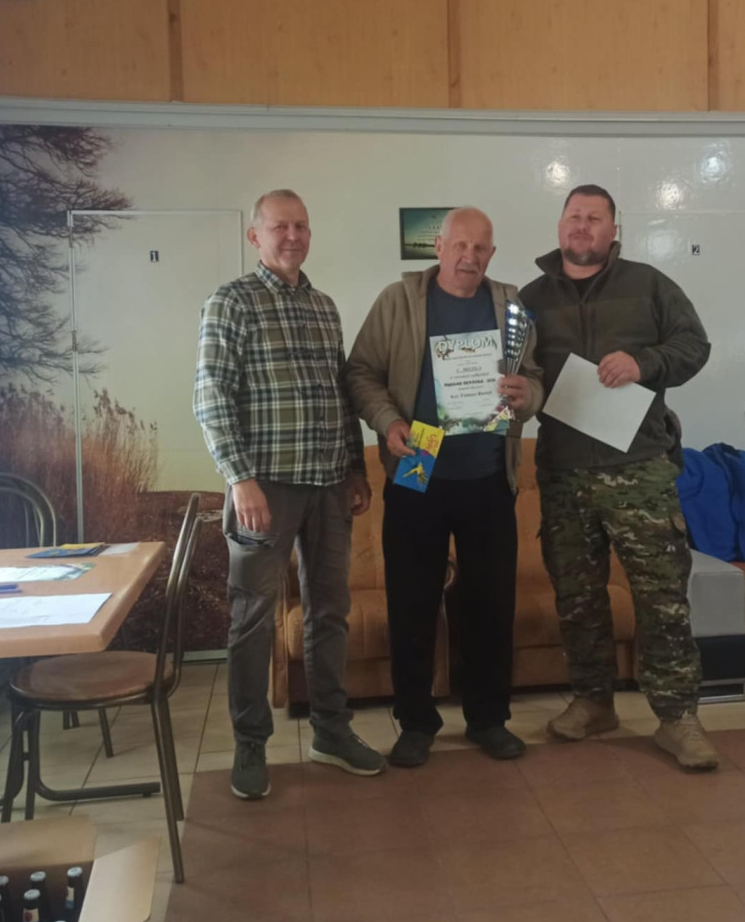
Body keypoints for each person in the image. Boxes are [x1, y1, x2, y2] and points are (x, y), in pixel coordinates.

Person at [519, 184, 719, 770]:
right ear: (560, 225)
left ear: (613, 230)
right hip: (563, 473)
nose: (581, 226)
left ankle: (678, 718)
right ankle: (593, 701)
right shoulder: (528, 300)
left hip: (640, 469)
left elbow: (695, 346)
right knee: (577, 599)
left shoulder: (650, 285)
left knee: (662, 598)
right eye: (573, 216)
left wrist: (644, 362)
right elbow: (517, 370)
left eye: (594, 218)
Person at [194, 188, 385, 799]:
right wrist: (240, 479)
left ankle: (331, 731)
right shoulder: (231, 302)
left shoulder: (324, 307)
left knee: (329, 612)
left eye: (301, 226)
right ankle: (251, 743)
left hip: (328, 486)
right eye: (280, 227)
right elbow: (211, 396)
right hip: (264, 488)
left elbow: (340, 394)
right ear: (255, 236)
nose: (293, 236)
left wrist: (354, 468)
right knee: (252, 618)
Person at [347, 207, 544, 766]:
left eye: (480, 248)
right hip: (419, 466)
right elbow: (360, 373)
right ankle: (416, 723)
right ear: (438, 247)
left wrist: (528, 394)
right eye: (459, 245)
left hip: (489, 474)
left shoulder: (511, 307)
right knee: (411, 603)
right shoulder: (398, 301)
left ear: (492, 254)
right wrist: (388, 421)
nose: (469, 257)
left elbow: (536, 377)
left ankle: (488, 719)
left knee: (490, 605)